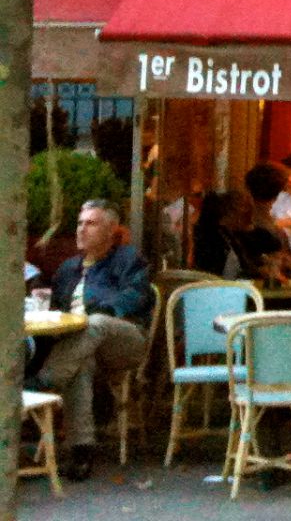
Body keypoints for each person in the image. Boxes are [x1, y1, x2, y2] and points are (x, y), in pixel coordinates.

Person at [32, 201, 152, 481]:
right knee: (81, 362)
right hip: (80, 345)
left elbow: (134, 296)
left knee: (94, 324)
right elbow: (59, 312)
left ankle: (45, 380)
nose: (82, 229)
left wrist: (94, 311)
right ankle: (81, 450)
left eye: (91, 223)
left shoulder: (128, 259)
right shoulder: (67, 269)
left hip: (124, 338)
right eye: (79, 223)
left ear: (111, 231)